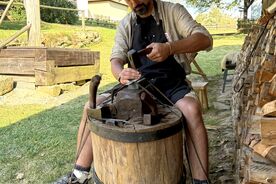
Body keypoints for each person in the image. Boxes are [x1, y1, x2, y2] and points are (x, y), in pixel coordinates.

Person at [55, 0, 212, 183]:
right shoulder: (126, 23)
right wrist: (120, 73)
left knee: (191, 109)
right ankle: (78, 175)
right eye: (129, 0)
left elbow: (205, 39)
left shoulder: (173, 11)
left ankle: (201, 180)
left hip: (171, 83)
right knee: (92, 106)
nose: (135, 3)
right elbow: (116, 60)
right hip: (138, 85)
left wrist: (170, 48)